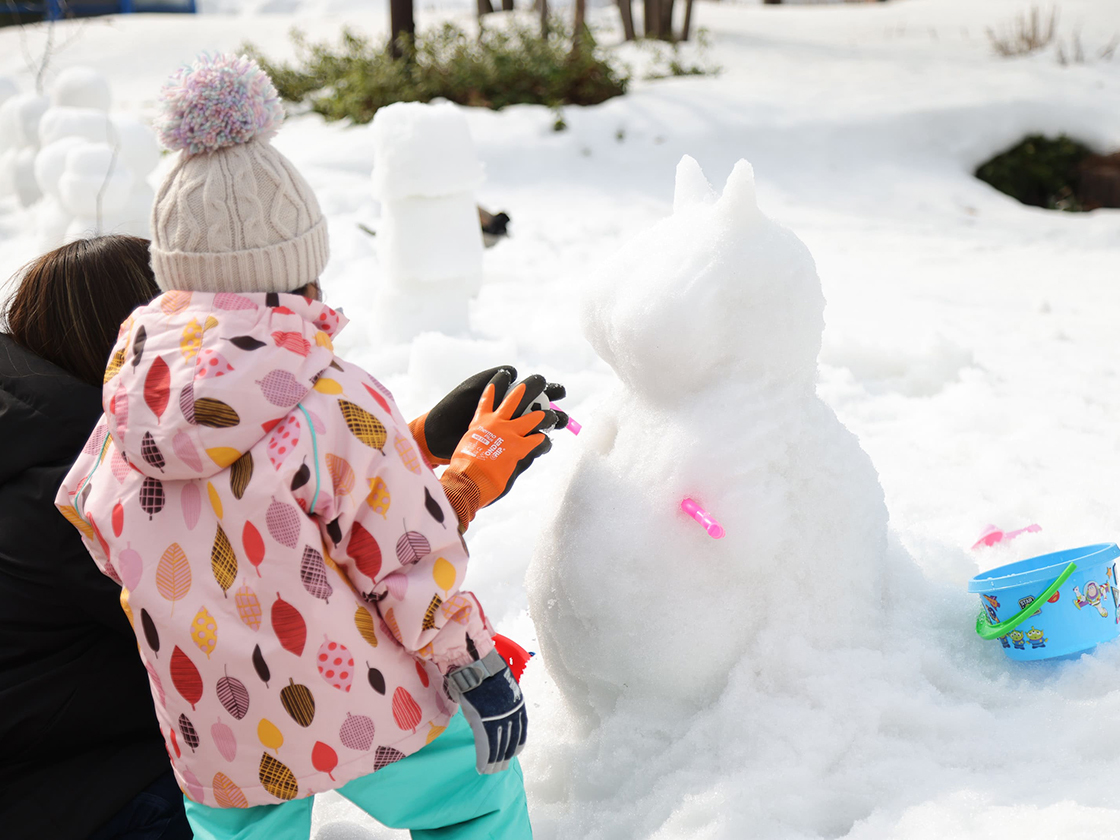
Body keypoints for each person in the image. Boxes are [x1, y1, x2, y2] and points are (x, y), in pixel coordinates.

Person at [57, 54, 561, 840]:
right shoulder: (332, 398)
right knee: (474, 806)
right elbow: (408, 554)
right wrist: (474, 667)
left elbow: (93, 519)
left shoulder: (125, 407)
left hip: (214, 722)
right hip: (360, 702)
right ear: (301, 271)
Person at [0, 235, 193, 840]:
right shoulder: (79, 494)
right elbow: (254, 618)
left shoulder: (28, 440)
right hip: (85, 800)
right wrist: (452, 497)